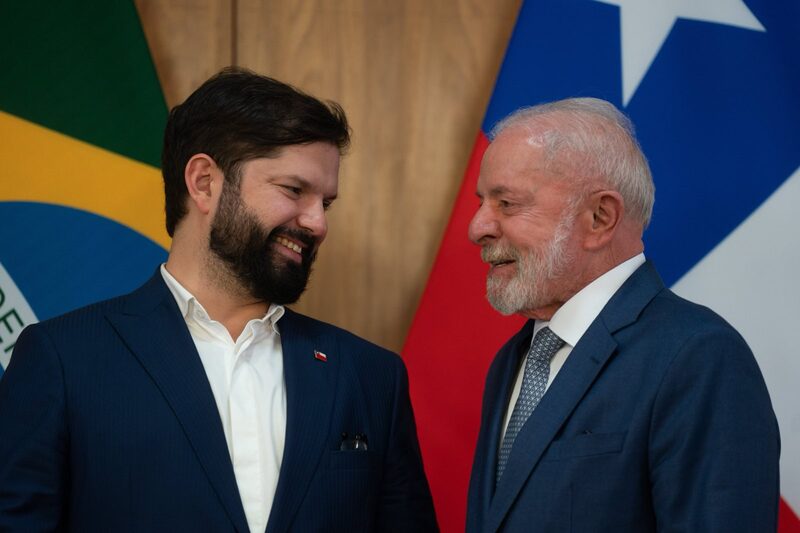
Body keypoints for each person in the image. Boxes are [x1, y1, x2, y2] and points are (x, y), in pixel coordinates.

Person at [0, 67, 437, 533]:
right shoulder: (63, 359)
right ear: (204, 181)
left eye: (325, 203)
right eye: (294, 190)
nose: (318, 223)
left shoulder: (371, 377)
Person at [465, 98, 779, 532]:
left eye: (507, 203)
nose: (477, 227)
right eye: (482, 202)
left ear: (600, 217)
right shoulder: (513, 358)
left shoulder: (699, 357)